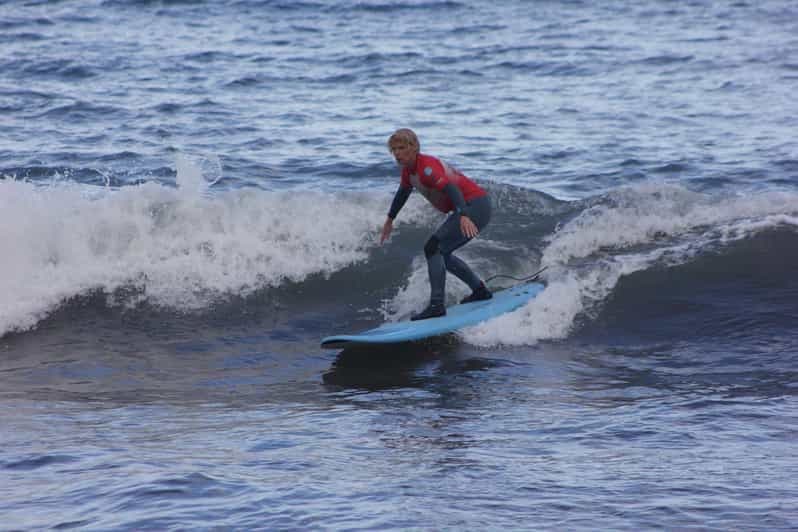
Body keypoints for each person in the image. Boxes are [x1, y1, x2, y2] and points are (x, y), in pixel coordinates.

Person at [380, 128, 492, 320]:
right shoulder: (408, 171)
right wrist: (390, 219)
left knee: (433, 248)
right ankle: (479, 291)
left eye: (401, 148)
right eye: (394, 150)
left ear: (414, 147)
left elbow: (452, 188)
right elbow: (403, 193)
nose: (397, 154)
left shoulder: (427, 168)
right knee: (442, 253)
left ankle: (437, 306)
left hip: (474, 206)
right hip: (467, 207)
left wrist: (464, 214)